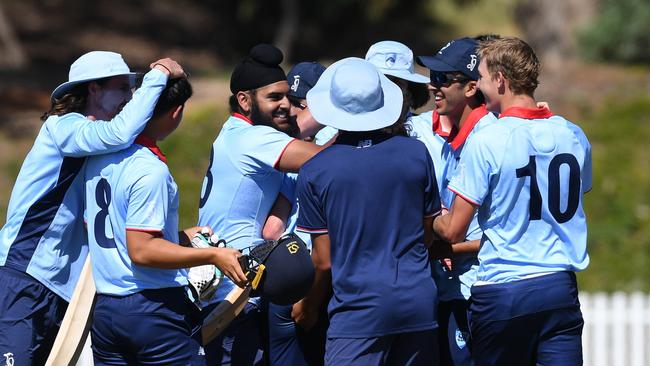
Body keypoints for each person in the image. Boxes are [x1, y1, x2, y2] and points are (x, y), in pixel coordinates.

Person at [0, 51, 183, 365]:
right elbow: (118, 132)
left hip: (67, 288)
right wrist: (158, 75)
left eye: (132, 89)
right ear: (93, 90)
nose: (130, 97)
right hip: (25, 273)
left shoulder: (106, 146)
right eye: (123, 88)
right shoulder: (65, 126)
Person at [433, 37, 591, 365]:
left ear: (501, 81)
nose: (478, 86)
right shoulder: (574, 134)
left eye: (483, 78)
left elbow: (452, 232)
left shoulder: (489, 139)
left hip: (504, 291)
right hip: (559, 288)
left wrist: (427, 212)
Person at [84, 76, 247, 364]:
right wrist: (213, 255)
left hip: (107, 309)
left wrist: (179, 237)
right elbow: (141, 250)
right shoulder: (150, 170)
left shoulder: (100, 159)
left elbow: (119, 234)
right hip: (151, 309)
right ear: (177, 111)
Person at [296, 57, 441, 366]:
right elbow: (428, 231)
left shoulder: (315, 170)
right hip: (417, 301)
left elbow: (324, 259)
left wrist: (309, 305)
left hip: (357, 311)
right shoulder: (415, 152)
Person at [197, 43, 323, 365]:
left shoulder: (236, 131)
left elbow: (297, 133)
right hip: (235, 292)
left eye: (289, 98)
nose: (286, 107)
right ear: (244, 99)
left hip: (223, 285)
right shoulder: (255, 140)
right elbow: (324, 161)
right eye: (275, 98)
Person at [416, 36, 498, 366]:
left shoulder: (486, 139)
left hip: (479, 291)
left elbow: (498, 233)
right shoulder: (457, 141)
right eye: (432, 78)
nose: (434, 87)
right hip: (456, 290)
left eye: (442, 79)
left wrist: (433, 238)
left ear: (470, 88)